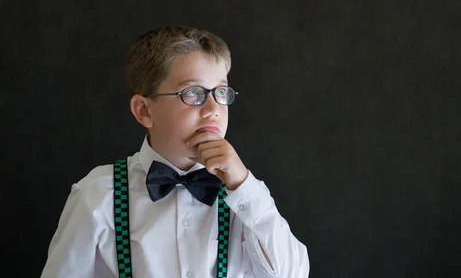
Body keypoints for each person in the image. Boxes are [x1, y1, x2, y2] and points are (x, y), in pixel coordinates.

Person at [40, 25, 310, 278]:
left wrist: (243, 186)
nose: (213, 108)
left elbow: (293, 273)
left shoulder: (245, 197)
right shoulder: (99, 194)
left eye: (221, 92)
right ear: (144, 111)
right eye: (193, 93)